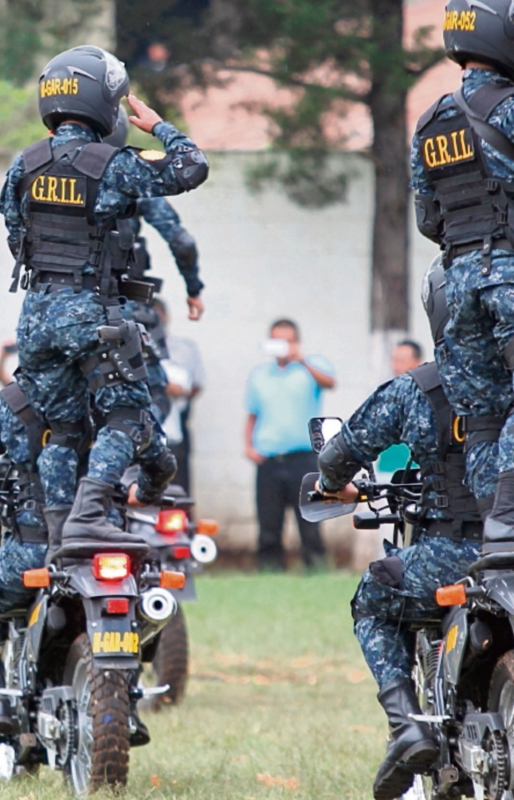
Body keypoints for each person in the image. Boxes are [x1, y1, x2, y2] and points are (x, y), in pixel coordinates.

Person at [0, 45, 208, 546]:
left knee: (62, 426)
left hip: (35, 316)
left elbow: (13, 229)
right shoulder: (110, 165)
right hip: (91, 313)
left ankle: (58, 535)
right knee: (127, 414)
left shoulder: (25, 163)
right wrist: (159, 126)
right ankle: (92, 512)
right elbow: (191, 168)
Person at [0, 376, 169, 750]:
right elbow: (161, 461)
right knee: (137, 601)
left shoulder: (14, 401)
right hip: (104, 547)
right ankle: (128, 704)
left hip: (34, 553)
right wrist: (146, 491)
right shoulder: (118, 400)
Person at [315, 274, 481, 800]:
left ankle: (407, 724)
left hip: (452, 554)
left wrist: (331, 485)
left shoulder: (420, 388)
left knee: (373, 600)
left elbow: (340, 453)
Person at [409, 2, 514, 548]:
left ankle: (493, 538)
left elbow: (428, 218)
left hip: (459, 282)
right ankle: (511, 521)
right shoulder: (510, 109)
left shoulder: (431, 121)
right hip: (509, 279)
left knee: (483, 416)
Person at [105, 109, 207, 424]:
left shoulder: (48, 170)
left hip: (62, 309)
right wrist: (193, 289)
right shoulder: (133, 173)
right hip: (124, 310)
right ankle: (128, 453)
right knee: (153, 398)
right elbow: (182, 242)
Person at [244, 319, 336, 570]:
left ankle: (315, 566)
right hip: (269, 459)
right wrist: (249, 447)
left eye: (287, 340)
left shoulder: (310, 368)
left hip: (303, 458)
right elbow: (252, 414)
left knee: (310, 520)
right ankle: (269, 569)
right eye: (277, 340)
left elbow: (330, 383)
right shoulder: (260, 375)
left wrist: (302, 360)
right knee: (268, 523)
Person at [156, 299, 205, 493]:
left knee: (177, 488)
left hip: (174, 427)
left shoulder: (183, 348)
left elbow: (193, 384)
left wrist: (173, 390)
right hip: (138, 427)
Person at [375, 341, 423, 475]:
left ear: (417, 362)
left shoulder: (425, 395)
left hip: (415, 470)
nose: (395, 366)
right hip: (385, 470)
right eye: (393, 360)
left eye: (401, 361)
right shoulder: (383, 392)